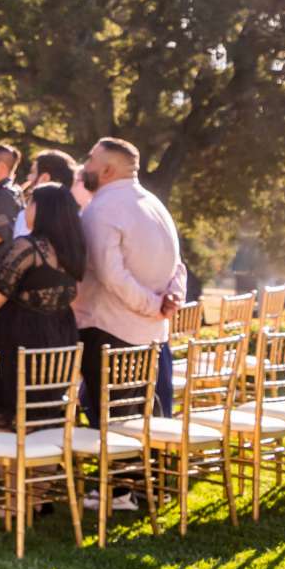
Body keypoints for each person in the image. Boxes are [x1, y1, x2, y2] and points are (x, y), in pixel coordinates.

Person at [75, 136, 185, 424]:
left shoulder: (100, 210)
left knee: (116, 428)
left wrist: (153, 305)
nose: (84, 166)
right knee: (142, 425)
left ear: (107, 171)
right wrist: (170, 299)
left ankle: (118, 470)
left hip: (110, 333)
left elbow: (111, 275)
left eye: (90, 160)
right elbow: (178, 267)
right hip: (152, 336)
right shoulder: (156, 205)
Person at [0, 181, 85, 423]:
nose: (27, 209)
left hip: (19, 340)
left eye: (31, 202)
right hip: (58, 337)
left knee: (4, 413)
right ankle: (38, 457)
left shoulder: (28, 246)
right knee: (41, 412)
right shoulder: (72, 248)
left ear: (43, 209)